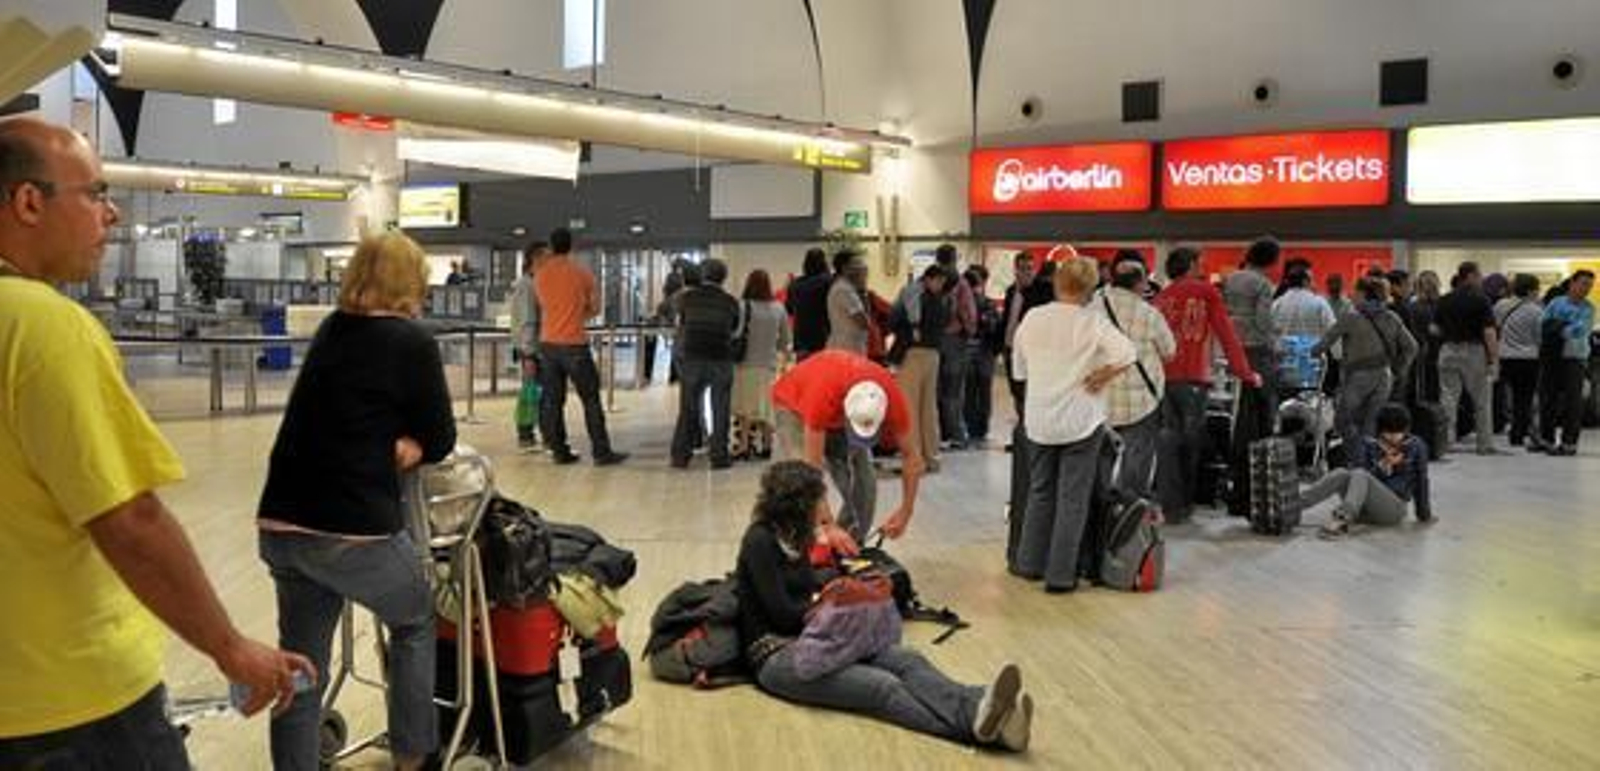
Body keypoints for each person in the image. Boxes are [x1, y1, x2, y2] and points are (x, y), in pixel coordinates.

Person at [0, 117, 312, 768]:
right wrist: (229, 647)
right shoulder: (44, 328)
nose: (110, 214)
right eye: (94, 192)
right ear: (29, 202)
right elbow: (130, 520)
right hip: (74, 708)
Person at [256, 232, 455, 771]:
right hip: (351, 530)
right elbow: (440, 437)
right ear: (411, 282)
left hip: (281, 523)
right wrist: (411, 445)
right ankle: (414, 757)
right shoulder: (411, 340)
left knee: (303, 663)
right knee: (414, 620)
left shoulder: (331, 329)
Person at [737, 461, 1033, 750]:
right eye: (819, 498)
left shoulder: (796, 537)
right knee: (882, 687)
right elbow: (782, 614)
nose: (824, 505)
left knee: (907, 660)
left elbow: (806, 585)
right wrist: (830, 599)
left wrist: (848, 584)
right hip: (777, 657)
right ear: (799, 505)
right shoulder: (759, 541)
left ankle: (985, 706)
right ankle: (982, 726)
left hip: (816, 639)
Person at [1011, 257, 1137, 593]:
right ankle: (1061, 575)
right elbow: (1127, 353)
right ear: (1091, 288)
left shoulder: (1033, 318)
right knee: (1072, 499)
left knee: (1039, 491)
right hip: (1082, 420)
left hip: (1039, 419)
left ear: (1056, 282)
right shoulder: (1092, 322)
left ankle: (1028, 563)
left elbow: (1019, 370)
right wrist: (1102, 374)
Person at [1152, 247, 1261, 523]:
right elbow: (1226, 334)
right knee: (1191, 444)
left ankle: (1169, 504)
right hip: (1192, 379)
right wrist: (1245, 373)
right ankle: (1184, 504)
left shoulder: (1161, 297)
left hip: (1161, 379)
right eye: (1200, 262)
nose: (1204, 266)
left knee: (1166, 441)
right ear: (1190, 265)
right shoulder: (1206, 292)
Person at [771, 350, 924, 543]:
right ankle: (798, 546)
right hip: (791, 403)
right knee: (800, 481)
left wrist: (906, 511)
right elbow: (813, 468)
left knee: (864, 478)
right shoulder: (822, 396)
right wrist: (827, 523)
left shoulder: (892, 396)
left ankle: (850, 545)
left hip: (834, 403)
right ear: (845, 411)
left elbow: (913, 457)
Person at [534, 227, 628, 466]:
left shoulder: (540, 275)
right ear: (571, 245)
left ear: (552, 246)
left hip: (547, 344)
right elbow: (595, 308)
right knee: (591, 399)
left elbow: (543, 305)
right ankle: (601, 452)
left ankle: (559, 451)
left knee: (553, 401)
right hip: (574, 344)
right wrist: (577, 316)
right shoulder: (582, 274)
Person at [1091, 253, 1175, 498]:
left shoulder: (1092, 308)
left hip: (1099, 399)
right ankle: (1128, 515)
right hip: (1140, 402)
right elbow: (1169, 352)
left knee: (1101, 457)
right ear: (1140, 284)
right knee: (1137, 459)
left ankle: (1099, 510)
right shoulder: (1149, 314)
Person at [1313, 276, 1418, 467]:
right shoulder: (1391, 317)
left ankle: (1356, 457)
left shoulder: (1351, 318)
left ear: (1363, 294)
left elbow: (1323, 344)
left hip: (1357, 377)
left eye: (1356, 292)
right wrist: (1399, 370)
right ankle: (1368, 462)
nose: (1352, 295)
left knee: (1342, 420)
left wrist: (1313, 351)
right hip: (1385, 376)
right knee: (1371, 422)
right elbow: (1412, 346)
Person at [1297, 404, 1433, 539]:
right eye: (1389, 432)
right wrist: (1382, 466)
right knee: (1342, 473)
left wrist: (1424, 514)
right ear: (1381, 430)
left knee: (1360, 473)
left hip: (1393, 508)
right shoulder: (1369, 443)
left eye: (1398, 432)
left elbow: (1422, 481)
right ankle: (1294, 505)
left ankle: (1342, 519)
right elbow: (1358, 477)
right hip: (1362, 509)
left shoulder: (1416, 446)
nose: (1394, 437)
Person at [1222, 237, 1282, 514]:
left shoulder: (1231, 279)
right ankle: (1254, 480)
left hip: (1231, 348)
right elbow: (1264, 321)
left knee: (1237, 412)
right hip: (1257, 352)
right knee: (1260, 416)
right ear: (1270, 260)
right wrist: (1275, 343)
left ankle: (1233, 475)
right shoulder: (1263, 284)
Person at [671, 258, 742, 469]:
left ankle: (680, 456)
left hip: (693, 357)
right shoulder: (730, 301)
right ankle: (719, 456)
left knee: (688, 408)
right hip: (721, 358)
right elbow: (734, 330)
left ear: (703, 276)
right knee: (720, 408)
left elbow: (681, 324)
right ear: (724, 278)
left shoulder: (687, 298)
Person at [1434, 261, 1502, 455]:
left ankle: (1446, 442)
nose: (1481, 279)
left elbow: (1434, 328)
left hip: (1448, 350)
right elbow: (1489, 331)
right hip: (1473, 351)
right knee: (1481, 399)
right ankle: (1484, 444)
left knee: (1448, 398)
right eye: (1479, 275)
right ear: (1470, 276)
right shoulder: (1481, 300)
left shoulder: (1444, 299)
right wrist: (1494, 358)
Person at [891, 266, 950, 473]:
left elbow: (895, 320)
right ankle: (931, 458)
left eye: (942, 282)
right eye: (939, 281)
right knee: (928, 408)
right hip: (933, 354)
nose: (940, 285)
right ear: (929, 279)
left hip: (913, 354)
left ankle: (915, 460)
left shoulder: (914, 295)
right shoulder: (942, 301)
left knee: (910, 409)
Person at [732, 269, 791, 461]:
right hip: (769, 365)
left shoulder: (742, 306)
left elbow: (736, 333)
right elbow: (785, 340)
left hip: (745, 364)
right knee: (766, 407)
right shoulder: (778, 308)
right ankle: (766, 446)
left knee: (745, 407)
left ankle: (743, 447)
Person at [1538, 270, 1595, 456]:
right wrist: (1565, 326)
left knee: (1573, 402)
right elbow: (1543, 324)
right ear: (1572, 283)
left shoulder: (1588, 308)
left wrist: (1560, 325)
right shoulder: (1556, 302)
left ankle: (1569, 442)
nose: (1586, 288)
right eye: (1584, 283)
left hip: (1575, 359)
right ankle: (1546, 439)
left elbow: (1578, 331)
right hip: (1553, 358)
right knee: (1549, 400)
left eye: (1590, 285)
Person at [934, 244, 979, 450]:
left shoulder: (930, 281)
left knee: (936, 391)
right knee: (954, 392)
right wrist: (969, 331)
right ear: (954, 259)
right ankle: (958, 435)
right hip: (954, 342)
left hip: (933, 342)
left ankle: (938, 434)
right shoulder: (960, 284)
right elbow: (969, 314)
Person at [1494, 274, 1544, 449]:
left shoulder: (1500, 305)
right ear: (1531, 290)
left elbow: (1495, 327)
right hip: (1528, 358)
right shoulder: (1536, 311)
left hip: (1505, 356)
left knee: (1506, 395)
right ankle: (1518, 434)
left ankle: (1503, 423)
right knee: (1524, 399)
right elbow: (1539, 337)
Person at [510, 241, 547, 451]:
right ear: (536, 259)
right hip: (532, 350)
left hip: (535, 348)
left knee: (535, 391)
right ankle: (525, 434)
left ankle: (532, 433)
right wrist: (528, 354)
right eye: (546, 257)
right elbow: (527, 321)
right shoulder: (526, 285)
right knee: (530, 392)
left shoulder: (534, 283)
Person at [964, 266, 1002, 445]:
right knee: (978, 391)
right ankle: (978, 428)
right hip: (982, 353)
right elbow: (994, 326)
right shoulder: (987, 303)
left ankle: (976, 427)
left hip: (978, 353)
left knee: (974, 391)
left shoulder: (983, 303)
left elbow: (993, 326)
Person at [1000, 252, 1038, 417]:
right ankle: (1022, 432)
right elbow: (1007, 318)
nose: (1027, 272)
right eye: (1023, 268)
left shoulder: (1040, 292)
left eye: (1030, 268)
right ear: (1016, 270)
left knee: (1030, 393)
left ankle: (1030, 434)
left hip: (1030, 351)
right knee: (1016, 391)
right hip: (1010, 348)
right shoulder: (1010, 291)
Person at [786, 247, 833, 361]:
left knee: (805, 375)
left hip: (801, 340)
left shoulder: (795, 284)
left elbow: (789, 309)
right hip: (823, 339)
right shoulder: (828, 281)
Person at [1409, 270, 1445, 405]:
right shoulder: (1414, 306)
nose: (1430, 286)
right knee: (1425, 385)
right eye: (1426, 283)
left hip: (1441, 350)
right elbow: (1411, 329)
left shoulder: (1443, 304)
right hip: (1423, 351)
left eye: (1432, 283)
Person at [826, 250, 871, 355]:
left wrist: (862, 290)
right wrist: (863, 290)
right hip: (846, 349)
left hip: (850, 348)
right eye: (856, 264)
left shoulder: (847, 288)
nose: (861, 268)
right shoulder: (844, 290)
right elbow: (864, 322)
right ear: (845, 269)